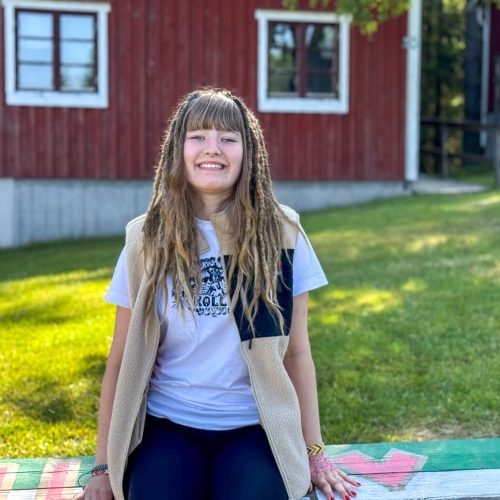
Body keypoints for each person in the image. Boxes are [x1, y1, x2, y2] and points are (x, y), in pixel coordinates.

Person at [76, 88, 361, 500]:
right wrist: (103, 466)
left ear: (248, 152)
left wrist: (315, 452)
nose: (213, 148)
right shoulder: (146, 239)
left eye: (228, 138)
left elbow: (297, 352)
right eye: (198, 136)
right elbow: (120, 360)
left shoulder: (280, 235)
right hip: (168, 426)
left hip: (255, 428)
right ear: (178, 149)